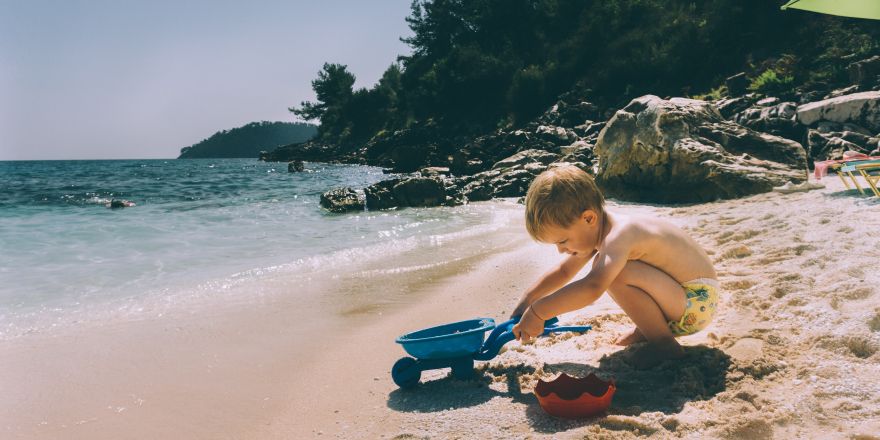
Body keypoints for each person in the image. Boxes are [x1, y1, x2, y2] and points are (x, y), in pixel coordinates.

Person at [510, 165, 718, 368]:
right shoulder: (597, 231)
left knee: (615, 274)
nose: (561, 250)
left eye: (562, 241)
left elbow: (593, 288)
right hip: (682, 299)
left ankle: (664, 344)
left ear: (588, 218)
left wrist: (539, 312)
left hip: (696, 301)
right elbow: (564, 271)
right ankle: (648, 330)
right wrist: (527, 301)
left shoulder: (619, 236)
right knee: (611, 267)